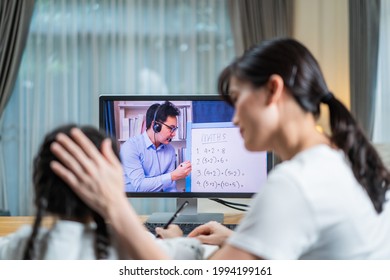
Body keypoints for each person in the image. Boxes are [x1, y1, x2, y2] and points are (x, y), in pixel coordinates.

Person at [49, 38, 390, 259]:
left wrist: (114, 207)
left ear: (273, 90)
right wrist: (238, 239)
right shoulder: (348, 161)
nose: (234, 117)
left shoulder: (295, 184)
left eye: (237, 101)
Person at [0, 124, 203, 260]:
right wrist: (175, 238)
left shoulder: (20, 245)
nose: (173, 132)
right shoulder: (133, 248)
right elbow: (193, 252)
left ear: (41, 186)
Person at [120, 101, 192, 192]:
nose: (174, 134)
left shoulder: (170, 150)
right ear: (155, 126)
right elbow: (139, 186)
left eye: (175, 129)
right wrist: (173, 175)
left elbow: (170, 188)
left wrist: (173, 204)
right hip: (133, 202)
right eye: (171, 128)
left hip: (160, 202)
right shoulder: (130, 147)